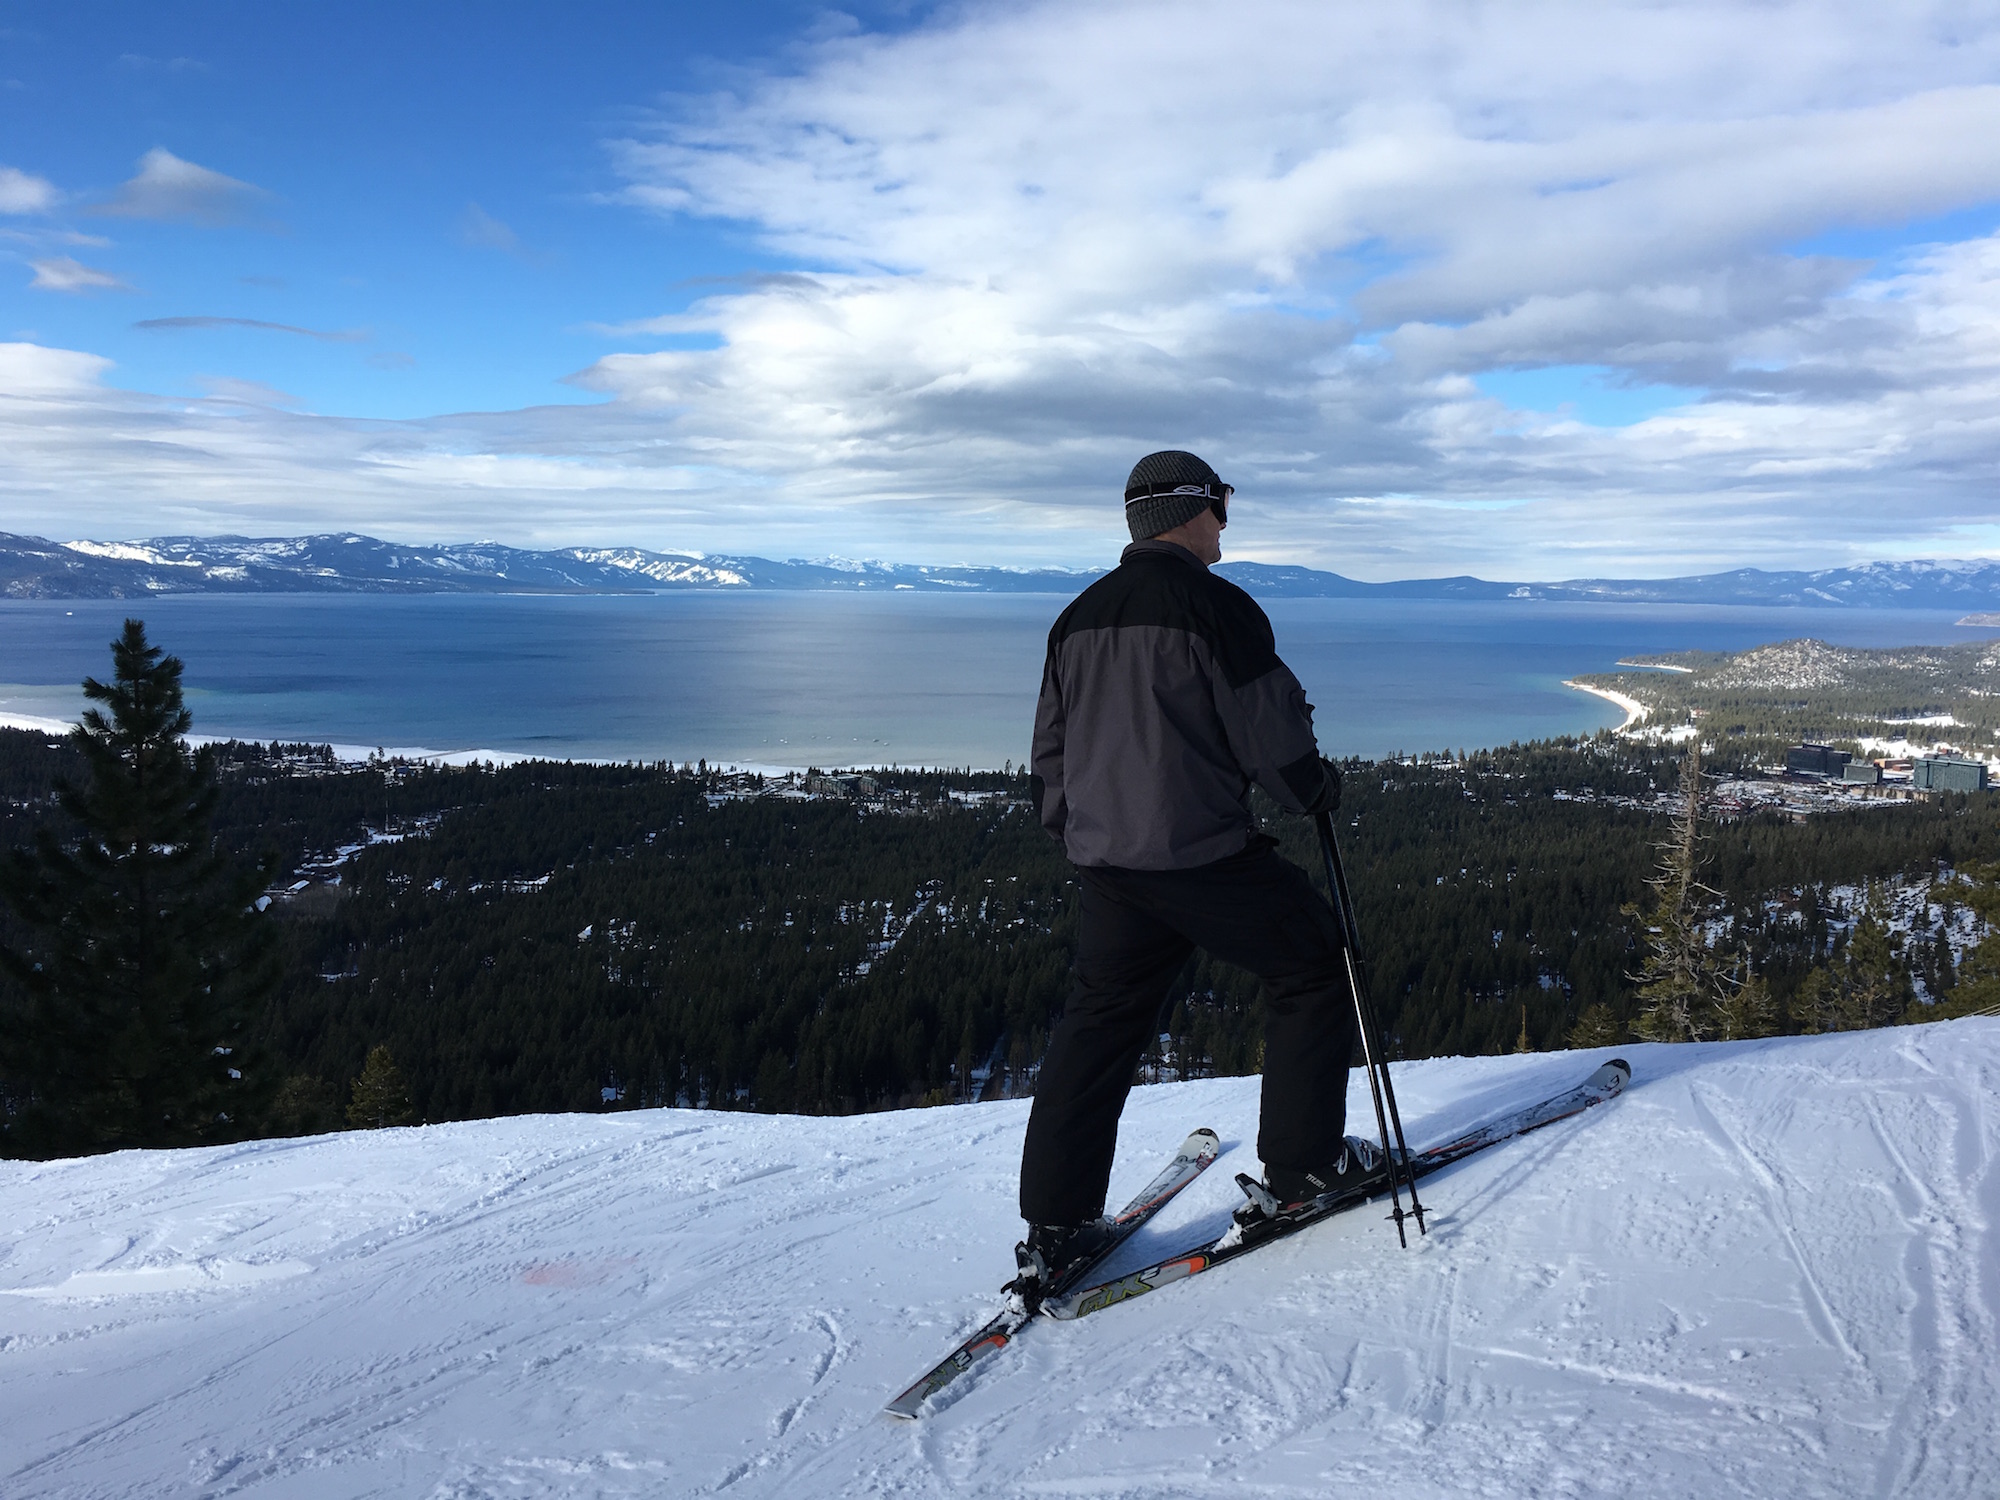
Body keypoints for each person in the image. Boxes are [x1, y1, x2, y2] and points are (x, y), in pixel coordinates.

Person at [1015, 449, 1384, 1299]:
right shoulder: (1216, 608)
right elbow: (1270, 733)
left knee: (1099, 1024)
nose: (1226, 521)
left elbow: (1051, 749)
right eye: (1222, 505)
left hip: (1108, 859)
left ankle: (1055, 1226)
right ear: (1195, 509)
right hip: (1199, 852)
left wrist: (1074, 831)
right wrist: (1313, 789)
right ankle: (1303, 1171)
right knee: (1313, 965)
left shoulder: (1079, 615)